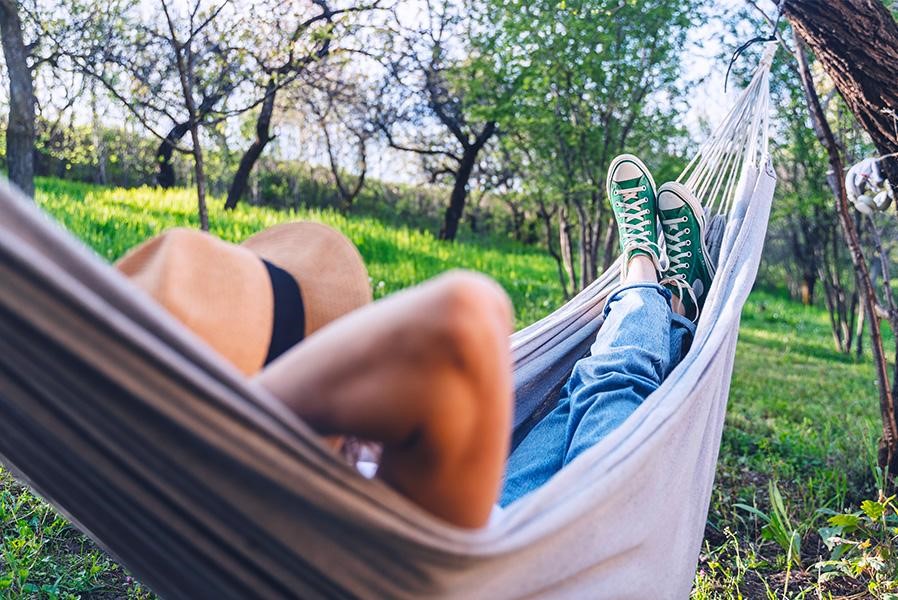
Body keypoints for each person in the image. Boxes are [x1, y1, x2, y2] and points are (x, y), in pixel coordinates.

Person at [116, 153, 713, 529]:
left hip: (506, 515)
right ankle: (650, 280)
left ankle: (667, 306)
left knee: (572, 394)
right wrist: (260, 418)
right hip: (548, 548)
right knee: (613, 380)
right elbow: (463, 317)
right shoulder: (345, 516)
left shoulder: (192, 524)